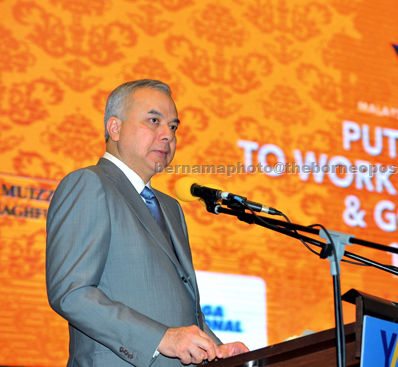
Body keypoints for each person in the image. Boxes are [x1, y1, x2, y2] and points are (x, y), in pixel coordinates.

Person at [46, 79, 248, 366]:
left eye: (174, 126)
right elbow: (72, 292)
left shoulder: (170, 207)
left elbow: (181, 315)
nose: (167, 134)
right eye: (154, 120)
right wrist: (160, 339)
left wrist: (215, 349)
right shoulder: (90, 184)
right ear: (114, 128)